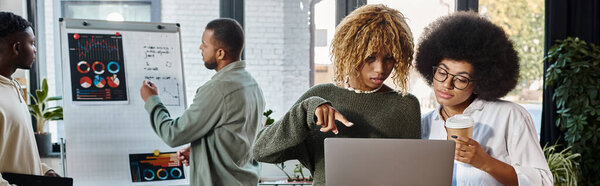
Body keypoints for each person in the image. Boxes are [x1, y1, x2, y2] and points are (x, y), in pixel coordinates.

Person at [252, 4, 420, 185]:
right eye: (370, 57)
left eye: (389, 58)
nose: (380, 69)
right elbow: (262, 151)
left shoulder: (405, 106)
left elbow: (412, 175)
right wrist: (305, 111)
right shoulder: (319, 96)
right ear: (350, 52)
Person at [416, 12, 553, 186]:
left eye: (461, 79)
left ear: (480, 82)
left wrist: (486, 162)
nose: (447, 84)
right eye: (442, 73)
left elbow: (543, 182)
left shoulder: (510, 116)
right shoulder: (423, 126)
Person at [140, 18, 265, 186]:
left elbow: (172, 134)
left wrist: (152, 99)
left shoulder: (218, 89)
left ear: (220, 53)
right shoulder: (252, 85)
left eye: (205, 45)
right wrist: (200, 151)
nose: (200, 48)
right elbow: (237, 140)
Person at [0, 11, 59, 186]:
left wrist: (43, 171)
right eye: (32, 43)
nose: (35, 50)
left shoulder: (13, 87)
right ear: (17, 48)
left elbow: (16, 151)